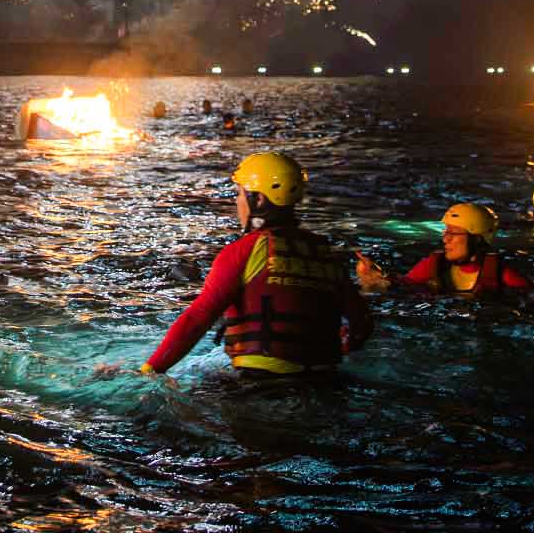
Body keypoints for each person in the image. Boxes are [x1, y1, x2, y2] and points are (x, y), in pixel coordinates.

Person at [133, 153, 372, 378]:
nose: (237, 201)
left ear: (258, 199)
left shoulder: (244, 251)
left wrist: (149, 370)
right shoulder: (324, 253)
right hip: (326, 380)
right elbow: (362, 324)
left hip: (260, 383)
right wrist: (344, 345)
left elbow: (197, 319)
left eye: (239, 193)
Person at [356, 203, 533, 295]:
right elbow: (401, 286)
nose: (446, 239)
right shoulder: (433, 264)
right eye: (445, 232)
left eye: (453, 233)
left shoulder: (503, 275)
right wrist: (374, 279)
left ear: (477, 240)